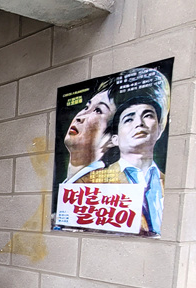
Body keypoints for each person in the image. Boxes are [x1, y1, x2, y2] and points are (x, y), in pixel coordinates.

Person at [78, 68, 169, 235]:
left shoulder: (169, 183)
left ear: (159, 129)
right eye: (129, 119)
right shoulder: (87, 183)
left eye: (148, 115)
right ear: (115, 139)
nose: (139, 123)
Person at [62, 78, 116, 183]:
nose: (80, 117)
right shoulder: (71, 184)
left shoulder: (101, 186)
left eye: (97, 110)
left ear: (112, 139)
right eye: (86, 107)